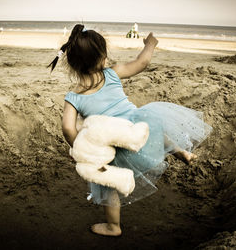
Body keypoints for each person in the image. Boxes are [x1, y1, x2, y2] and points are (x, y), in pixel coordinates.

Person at [48, 24, 212, 236]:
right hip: (139, 133)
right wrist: (150, 45)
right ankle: (181, 151)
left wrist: (83, 152)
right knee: (151, 125)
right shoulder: (112, 73)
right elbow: (142, 62)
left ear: (72, 63)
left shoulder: (73, 97)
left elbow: (68, 129)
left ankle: (113, 226)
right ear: (103, 58)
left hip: (115, 149)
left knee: (107, 185)